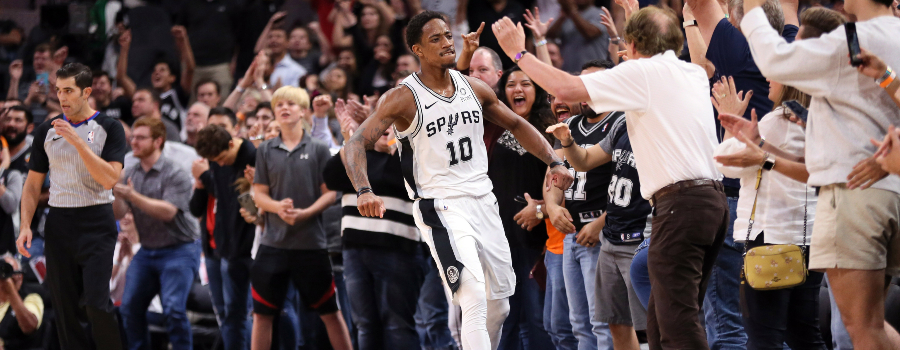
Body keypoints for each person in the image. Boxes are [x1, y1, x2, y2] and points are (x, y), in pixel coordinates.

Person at [493, 6, 727, 349]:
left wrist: (519, 51)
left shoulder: (644, 74)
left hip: (680, 206)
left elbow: (568, 89)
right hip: (709, 203)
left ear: (632, 45)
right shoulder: (691, 72)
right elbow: (704, 63)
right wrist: (683, 19)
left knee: (676, 321)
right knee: (664, 321)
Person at [343, 11, 573, 350]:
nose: (447, 43)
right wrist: (364, 189)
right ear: (417, 50)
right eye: (435, 38)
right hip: (440, 204)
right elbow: (355, 144)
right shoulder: (402, 97)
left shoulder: (474, 88)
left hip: (483, 200)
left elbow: (518, 125)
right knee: (474, 296)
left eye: (448, 35)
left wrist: (554, 160)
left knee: (500, 306)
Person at [740, 0, 900, 346]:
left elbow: (773, 60)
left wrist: (751, 8)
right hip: (890, 189)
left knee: (861, 328)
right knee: (862, 326)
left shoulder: (852, 37)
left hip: (854, 192)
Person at [17, 63, 127, 349]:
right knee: (65, 310)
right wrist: (25, 225)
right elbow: (31, 186)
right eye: (58, 90)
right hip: (60, 223)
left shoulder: (109, 127)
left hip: (97, 222)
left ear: (86, 92)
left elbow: (109, 179)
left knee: (95, 304)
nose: (62, 97)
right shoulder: (46, 131)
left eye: (69, 91)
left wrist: (78, 142)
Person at [323, 99, 425, 349]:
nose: (384, 129)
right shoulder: (355, 156)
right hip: (355, 252)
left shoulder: (411, 157)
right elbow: (331, 177)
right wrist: (354, 139)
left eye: (389, 124)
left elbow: (390, 178)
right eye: (378, 125)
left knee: (398, 324)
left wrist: (361, 136)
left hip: (399, 251)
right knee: (365, 325)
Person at [542, 60, 627, 350]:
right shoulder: (568, 125)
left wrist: (600, 223)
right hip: (571, 233)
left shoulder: (620, 122)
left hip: (602, 233)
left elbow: (630, 184)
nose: (586, 90)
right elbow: (552, 175)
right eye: (583, 83)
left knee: (602, 323)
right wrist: (553, 207)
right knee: (578, 324)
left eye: (595, 83)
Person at [113, 117, 201, 350]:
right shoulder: (131, 172)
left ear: (158, 141)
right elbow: (118, 214)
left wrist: (132, 196)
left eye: (141, 138)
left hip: (180, 248)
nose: (134, 142)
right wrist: (117, 191)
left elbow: (169, 212)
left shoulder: (175, 173)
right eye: (133, 137)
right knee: (129, 307)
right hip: (149, 250)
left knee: (173, 309)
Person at [489, 66, 556, 350]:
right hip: (498, 236)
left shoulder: (549, 128)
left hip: (535, 236)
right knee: (506, 319)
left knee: (538, 318)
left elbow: (564, 179)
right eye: (511, 84)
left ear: (537, 90)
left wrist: (543, 208)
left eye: (526, 84)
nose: (518, 89)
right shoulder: (494, 127)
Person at [192, 120, 257, 350]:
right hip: (226, 247)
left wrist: (205, 177)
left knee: (261, 314)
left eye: (221, 158)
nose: (219, 163)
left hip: (252, 248)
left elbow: (251, 209)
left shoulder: (252, 154)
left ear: (231, 143)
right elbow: (215, 200)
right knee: (231, 315)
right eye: (214, 161)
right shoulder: (216, 158)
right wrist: (204, 180)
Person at [546, 0, 612, 72]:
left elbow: (590, 33)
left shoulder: (600, 13)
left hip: (594, 70)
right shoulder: (566, 16)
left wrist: (572, 12)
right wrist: (563, 16)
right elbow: (549, 36)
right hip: (569, 71)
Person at [0, 253, 43, 349]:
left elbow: (29, 327)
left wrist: (11, 291)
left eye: (9, 272)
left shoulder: (32, 297)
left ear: (20, 277)